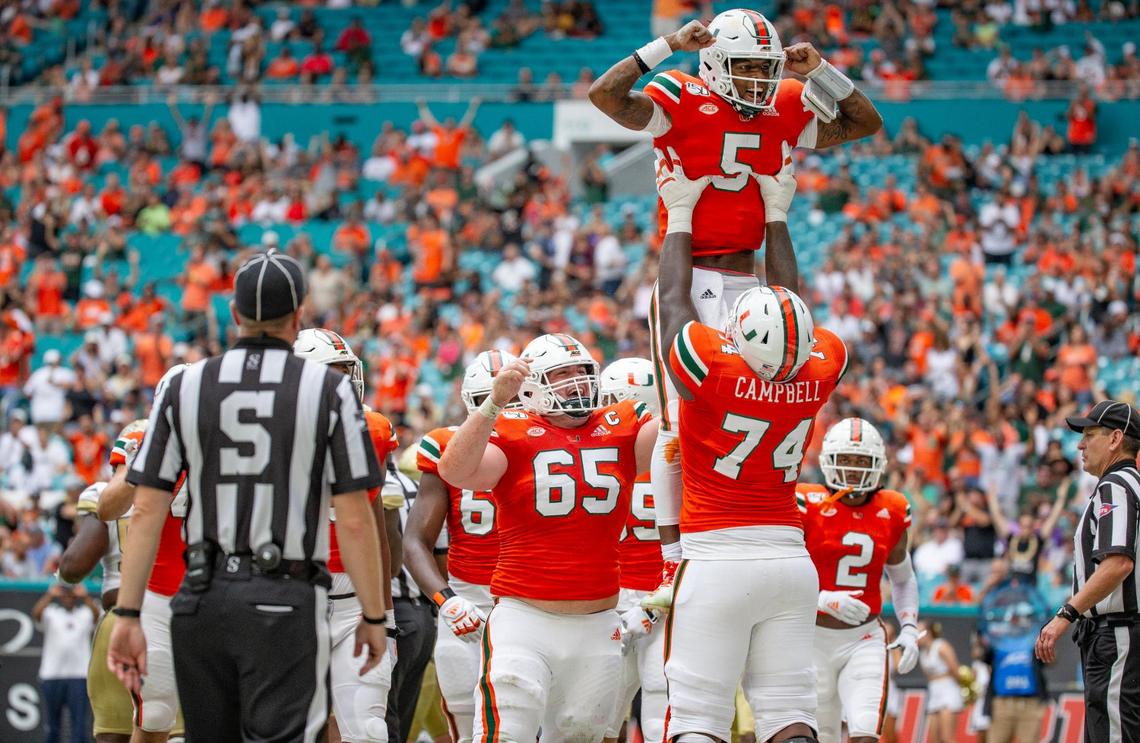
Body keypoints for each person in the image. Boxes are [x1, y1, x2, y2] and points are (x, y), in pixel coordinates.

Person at [589, 9, 882, 608]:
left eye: (766, 69)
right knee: (678, 425)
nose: (758, 80)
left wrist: (820, 69)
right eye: (746, 66)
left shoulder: (788, 100)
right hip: (689, 272)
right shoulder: (680, 94)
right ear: (714, 63)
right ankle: (674, 558)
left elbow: (863, 122)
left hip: (752, 275)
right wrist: (665, 45)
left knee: (774, 400)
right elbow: (606, 95)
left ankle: (761, 525)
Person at [108, 250, 389, 742]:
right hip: (285, 591)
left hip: (202, 594)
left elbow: (147, 508)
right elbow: (356, 518)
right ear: (299, 315)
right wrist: (372, 613)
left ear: (235, 315)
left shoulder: (186, 384)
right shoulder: (328, 390)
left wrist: (129, 612)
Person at [652, 153, 847, 743]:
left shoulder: (713, 369)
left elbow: (674, 305)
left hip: (715, 558)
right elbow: (793, 302)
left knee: (697, 719)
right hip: (790, 560)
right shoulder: (820, 367)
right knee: (790, 714)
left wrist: (679, 217)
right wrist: (777, 214)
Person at [437, 333, 656, 742]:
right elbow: (455, 471)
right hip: (525, 619)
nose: (577, 382)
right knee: (505, 734)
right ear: (533, 385)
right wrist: (493, 403)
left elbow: (676, 437)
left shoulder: (623, 423)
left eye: (582, 372)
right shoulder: (512, 428)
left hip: (598, 622)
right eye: (562, 374)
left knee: (582, 736)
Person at [404, 350, 518, 743]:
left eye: (513, 397)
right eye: (494, 398)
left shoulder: (549, 442)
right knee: (466, 725)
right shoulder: (446, 446)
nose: (504, 407)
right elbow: (415, 540)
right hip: (468, 601)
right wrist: (446, 599)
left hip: (534, 602)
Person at [294, 328, 398, 743]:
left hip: (355, 600)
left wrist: (385, 616)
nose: (342, 385)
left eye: (344, 372)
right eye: (329, 374)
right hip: (292, 598)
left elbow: (375, 528)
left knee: (369, 732)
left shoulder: (371, 428)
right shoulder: (269, 432)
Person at [797, 418, 922, 743]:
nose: (853, 469)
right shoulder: (805, 503)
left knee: (865, 732)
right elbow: (778, 574)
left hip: (864, 637)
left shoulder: (892, 509)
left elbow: (904, 578)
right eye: (847, 460)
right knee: (818, 734)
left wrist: (909, 626)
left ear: (877, 464)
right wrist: (821, 598)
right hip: (810, 635)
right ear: (828, 460)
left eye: (862, 461)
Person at [1036, 400, 1140, 743]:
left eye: (1089, 434)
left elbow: (1118, 563)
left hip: (1118, 633)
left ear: (1115, 439)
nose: (1080, 444)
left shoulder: (1117, 486)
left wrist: (1065, 614)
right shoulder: (1127, 485)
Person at [96, 372, 189, 743]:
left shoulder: (231, 440)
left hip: (217, 593)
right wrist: (143, 463)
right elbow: (107, 507)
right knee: (155, 714)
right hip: (159, 595)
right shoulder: (142, 436)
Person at [598, 357, 667, 743]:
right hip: (637, 598)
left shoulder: (593, 451)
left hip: (651, 599)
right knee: (602, 716)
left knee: (608, 716)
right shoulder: (683, 453)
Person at [57, 481, 135, 743]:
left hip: (121, 615)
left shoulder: (104, 493)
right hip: (177, 616)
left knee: (115, 734)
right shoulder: (188, 486)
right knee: (177, 731)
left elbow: (73, 567)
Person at [32, 582, 100, 743]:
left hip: (79, 676)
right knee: (52, 725)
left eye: (71, 594)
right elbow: (36, 614)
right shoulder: (51, 613)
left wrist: (85, 596)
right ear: (60, 596)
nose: (68, 596)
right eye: (65, 593)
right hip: (52, 675)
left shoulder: (84, 613)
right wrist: (50, 594)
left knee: (79, 726)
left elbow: (97, 616)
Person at [917, 622, 962, 743]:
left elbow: (955, 669)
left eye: (920, 632)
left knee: (947, 737)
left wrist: (961, 689)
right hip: (934, 692)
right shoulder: (921, 653)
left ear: (930, 633)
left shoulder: (941, 646)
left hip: (948, 691)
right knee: (933, 739)